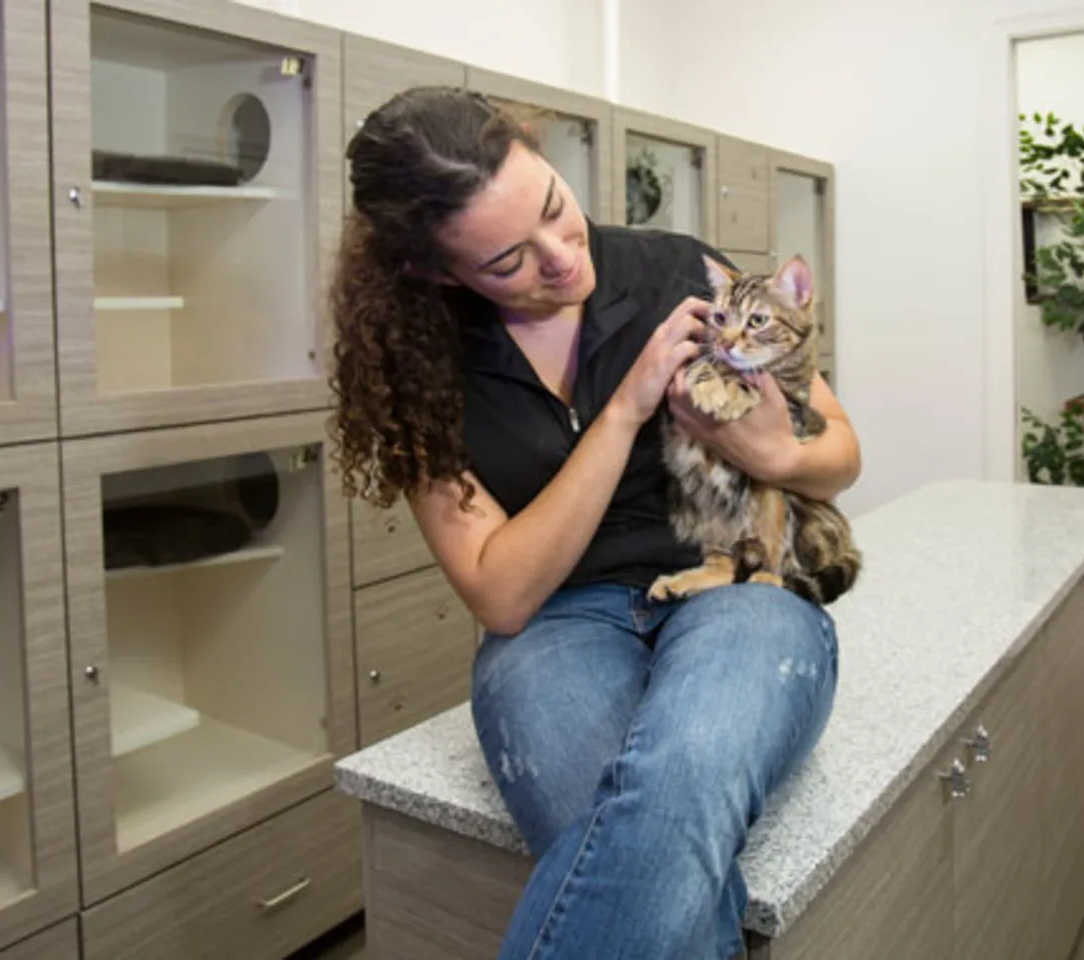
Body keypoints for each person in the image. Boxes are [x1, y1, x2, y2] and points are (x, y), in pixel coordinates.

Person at [329, 86, 861, 960]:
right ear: (434, 272)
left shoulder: (680, 273)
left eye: (554, 206)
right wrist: (625, 410)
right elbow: (501, 593)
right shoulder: (414, 368)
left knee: (681, 778)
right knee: (658, 830)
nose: (562, 258)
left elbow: (839, 452)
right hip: (556, 622)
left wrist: (777, 457)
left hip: (736, 585)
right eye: (508, 262)